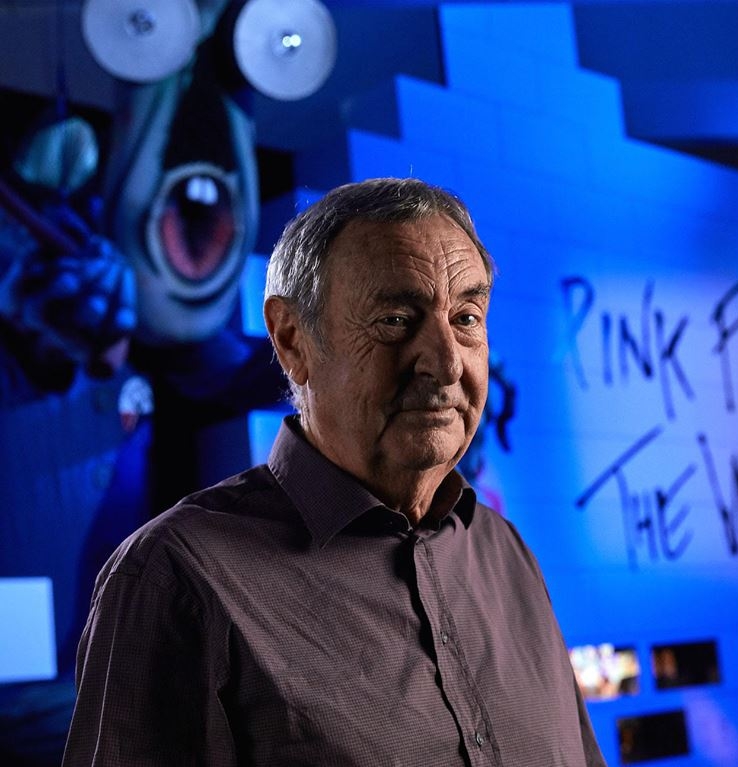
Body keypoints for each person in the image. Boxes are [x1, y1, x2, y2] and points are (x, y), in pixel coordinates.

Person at [62, 177, 607, 766]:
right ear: (292, 340)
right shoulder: (177, 579)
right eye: (395, 319)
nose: (446, 362)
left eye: (467, 318)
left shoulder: (507, 555)